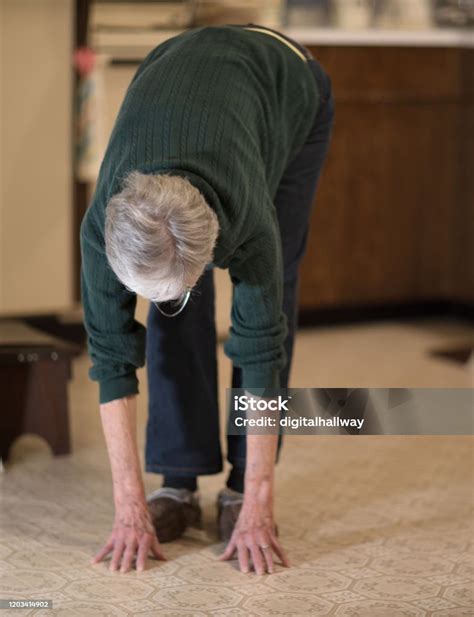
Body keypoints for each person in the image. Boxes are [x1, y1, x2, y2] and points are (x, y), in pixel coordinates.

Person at [80, 23, 334, 575]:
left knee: (273, 295)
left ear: (216, 239)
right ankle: (177, 481)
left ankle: (243, 486)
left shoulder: (248, 222)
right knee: (176, 308)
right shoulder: (106, 223)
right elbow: (110, 358)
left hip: (287, 86)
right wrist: (128, 505)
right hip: (179, 66)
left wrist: (262, 499)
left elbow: (259, 349)